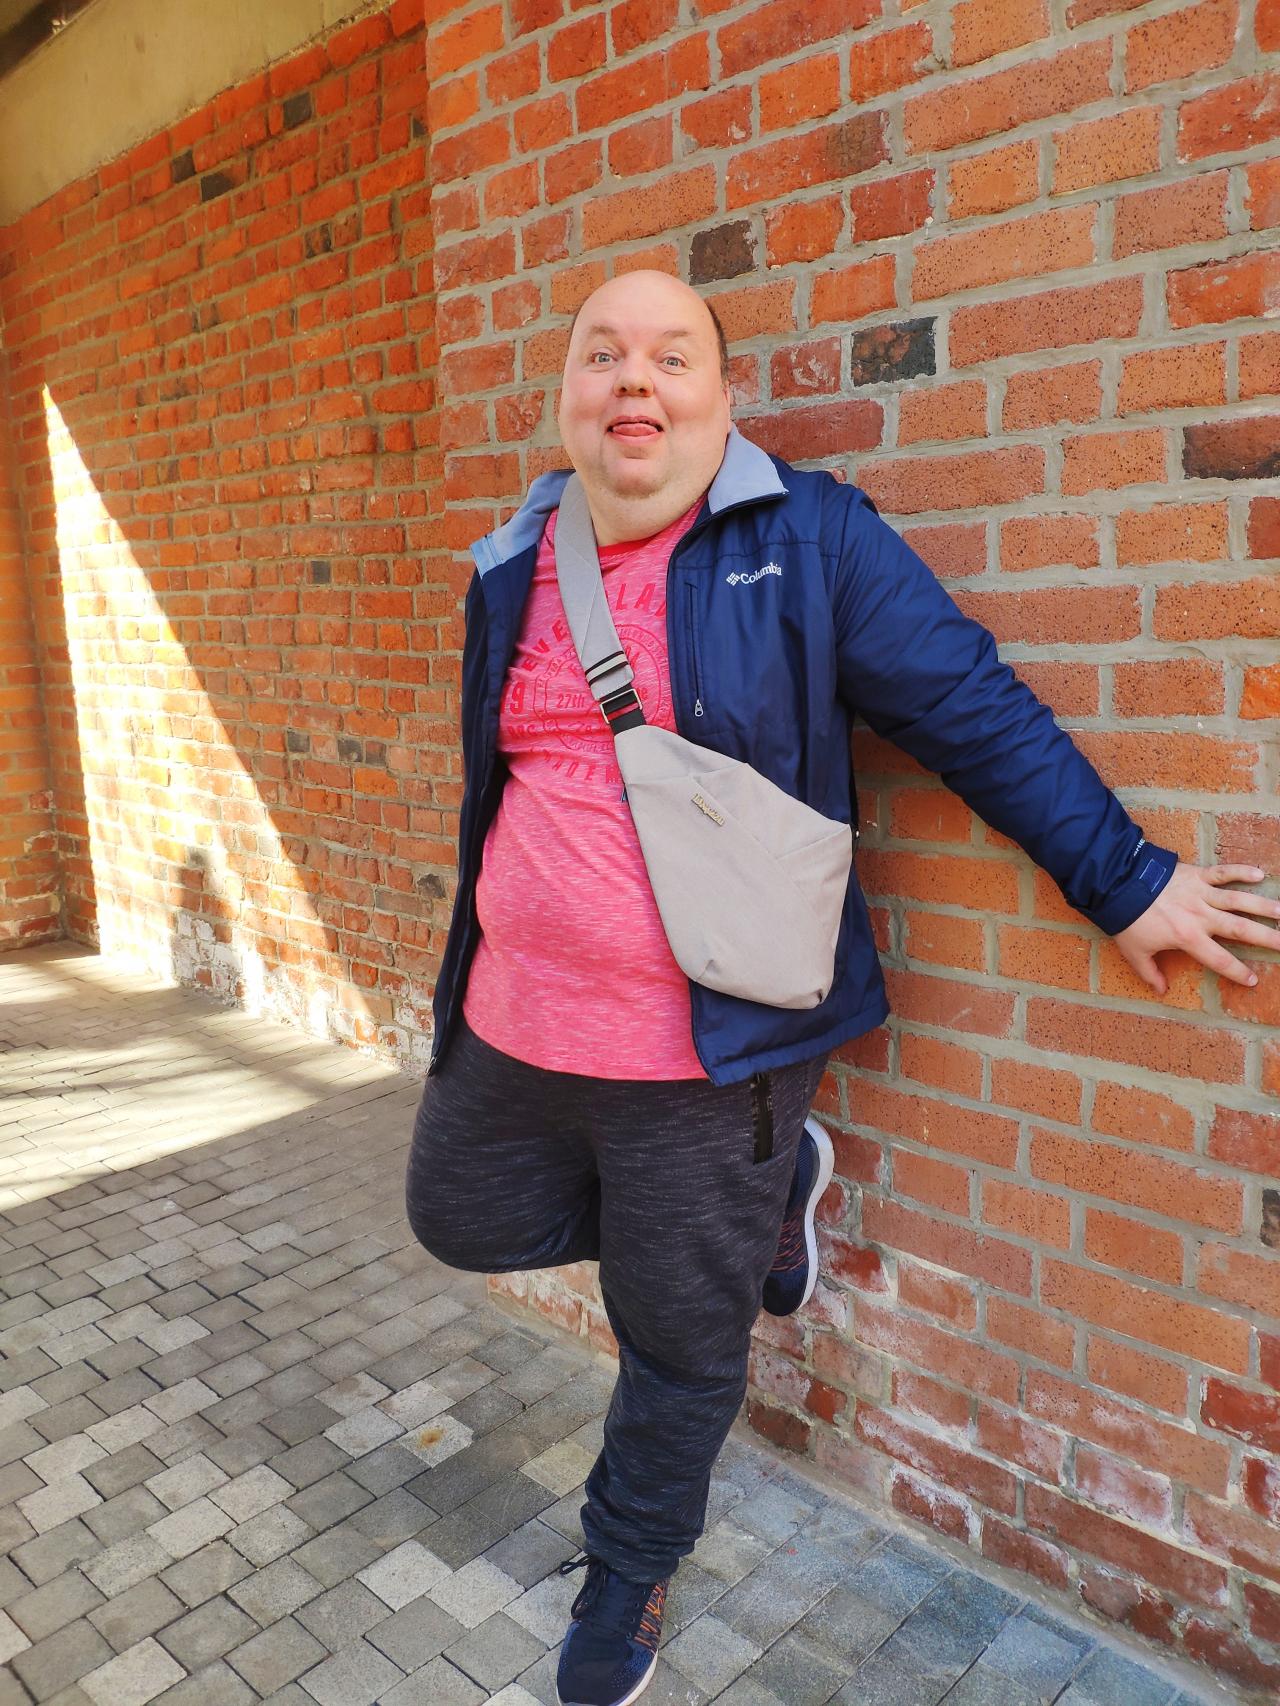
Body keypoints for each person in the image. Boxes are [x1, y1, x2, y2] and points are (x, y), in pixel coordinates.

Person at [406, 269, 1275, 1706]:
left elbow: (970, 708)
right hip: (510, 1021)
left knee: (678, 1340)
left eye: (671, 356)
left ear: (722, 396)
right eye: (603, 355)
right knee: (457, 1215)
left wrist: (1125, 878)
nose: (635, 380)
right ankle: (764, 1201)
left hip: (705, 1055)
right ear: (566, 396)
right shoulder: (513, 561)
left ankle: (627, 1569)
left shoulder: (810, 540)